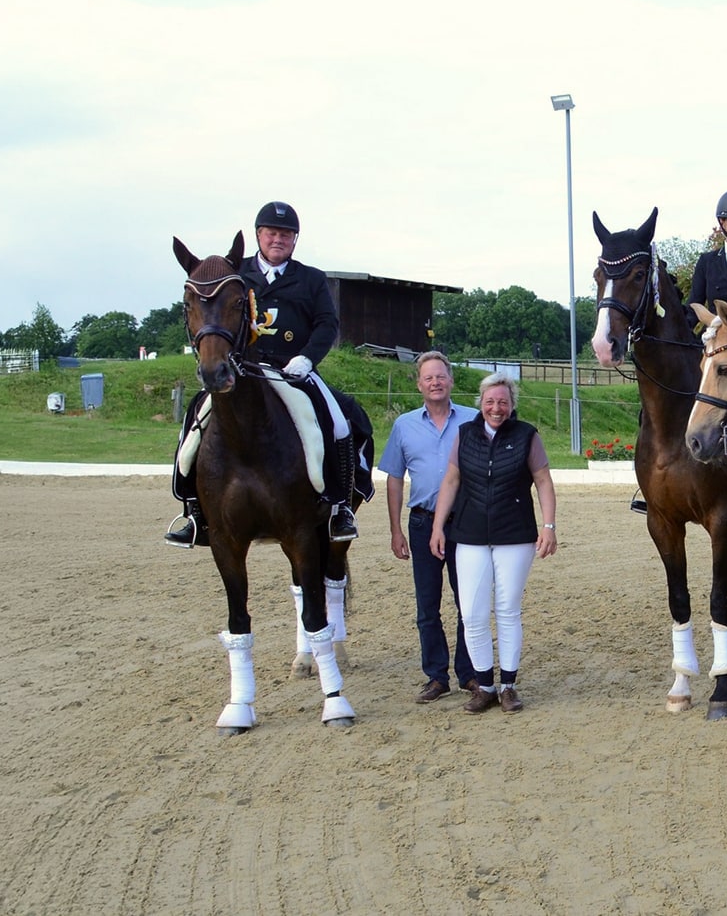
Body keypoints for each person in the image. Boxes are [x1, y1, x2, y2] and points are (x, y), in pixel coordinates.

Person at [165, 200, 365, 546]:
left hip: (293, 369)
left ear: (295, 240)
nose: (278, 239)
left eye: (286, 234)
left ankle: (339, 507)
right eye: (272, 233)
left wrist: (307, 358)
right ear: (259, 235)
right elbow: (207, 310)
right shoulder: (233, 273)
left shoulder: (311, 279)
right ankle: (194, 511)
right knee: (194, 423)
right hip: (243, 370)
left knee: (341, 422)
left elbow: (326, 324)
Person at [429, 373, 558, 714]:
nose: (496, 408)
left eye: (502, 402)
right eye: (490, 402)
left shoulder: (527, 435)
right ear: (480, 403)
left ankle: (509, 685)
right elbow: (451, 479)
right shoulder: (465, 434)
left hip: (514, 533)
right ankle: (484, 685)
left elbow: (543, 480)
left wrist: (548, 526)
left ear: (511, 404)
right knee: (471, 613)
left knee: (507, 609)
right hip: (469, 533)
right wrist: (438, 526)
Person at [381, 351, 479, 704]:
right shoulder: (404, 426)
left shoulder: (472, 420)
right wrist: (396, 530)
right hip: (422, 522)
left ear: (451, 380)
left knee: (468, 601)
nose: (435, 382)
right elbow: (394, 478)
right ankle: (436, 676)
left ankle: (469, 673)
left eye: (441, 376)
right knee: (427, 605)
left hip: (464, 523)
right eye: (428, 378)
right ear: (419, 384)